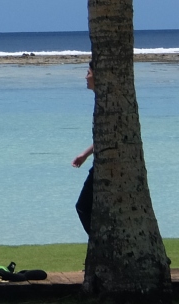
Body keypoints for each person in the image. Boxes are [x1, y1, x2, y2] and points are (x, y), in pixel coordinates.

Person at [72, 63, 95, 234]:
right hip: (100, 164)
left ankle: (97, 242)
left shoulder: (107, 104)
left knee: (83, 207)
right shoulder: (103, 102)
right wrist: (85, 154)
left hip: (103, 168)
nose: (85, 77)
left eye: (88, 73)